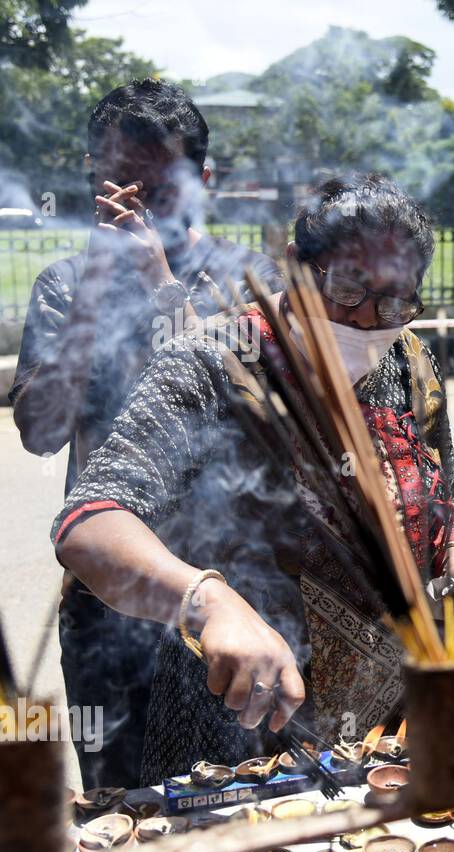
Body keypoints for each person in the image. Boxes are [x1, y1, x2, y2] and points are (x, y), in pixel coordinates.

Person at [52, 174, 454, 784]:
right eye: (349, 287)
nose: (369, 320)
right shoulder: (215, 360)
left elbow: (448, 500)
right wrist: (207, 604)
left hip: (385, 728)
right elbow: (91, 522)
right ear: (295, 264)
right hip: (238, 730)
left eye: (396, 301)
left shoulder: (409, 362)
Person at [7, 78, 281, 789]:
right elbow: (39, 431)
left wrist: (162, 283)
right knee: (122, 814)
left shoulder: (245, 279)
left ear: (202, 180)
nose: (131, 206)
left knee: (241, 806)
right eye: (115, 184)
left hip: (232, 593)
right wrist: (97, 293)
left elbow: (252, 417)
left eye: (155, 191)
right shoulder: (66, 285)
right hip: (109, 600)